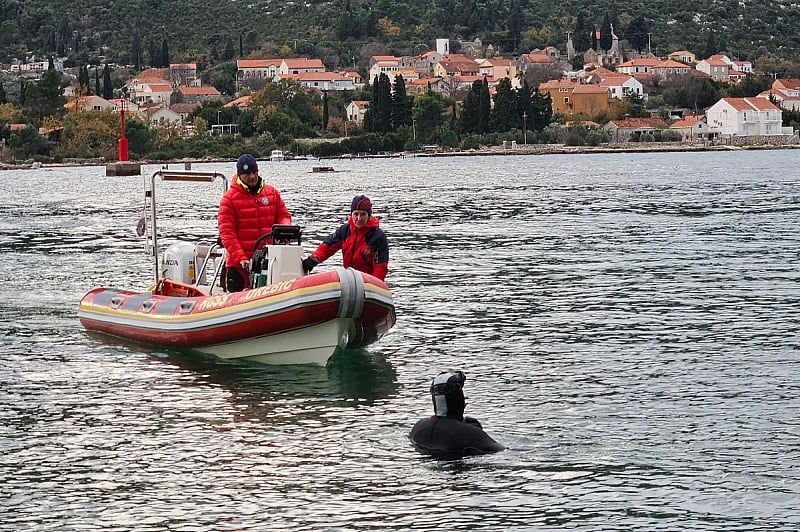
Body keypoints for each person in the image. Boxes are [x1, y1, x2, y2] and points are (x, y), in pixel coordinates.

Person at [218, 153, 292, 292]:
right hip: (240, 265)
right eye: (247, 174)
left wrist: (283, 230)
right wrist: (241, 257)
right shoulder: (228, 200)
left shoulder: (272, 193)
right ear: (239, 175)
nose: (252, 177)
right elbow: (227, 234)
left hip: (269, 261)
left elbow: (284, 215)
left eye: (254, 172)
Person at [409, 369, 505, 457]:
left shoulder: (418, 427)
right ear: (459, 399)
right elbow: (506, 452)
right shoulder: (470, 434)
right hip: (458, 472)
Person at [302, 195, 389, 280]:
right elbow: (328, 247)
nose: (359, 218)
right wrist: (314, 259)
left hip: (368, 280)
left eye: (363, 214)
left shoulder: (378, 236)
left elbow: (380, 266)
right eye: (356, 214)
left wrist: (374, 286)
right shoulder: (345, 230)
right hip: (349, 278)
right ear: (351, 214)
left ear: (369, 216)